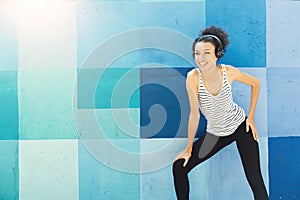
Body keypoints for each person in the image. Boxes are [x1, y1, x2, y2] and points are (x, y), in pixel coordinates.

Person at [172, 25, 269, 200]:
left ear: (218, 54)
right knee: (179, 167)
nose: (201, 58)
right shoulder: (193, 78)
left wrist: (251, 118)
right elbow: (194, 115)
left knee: (255, 180)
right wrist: (188, 149)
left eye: (206, 53)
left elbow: (255, 83)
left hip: (241, 128)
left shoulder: (228, 72)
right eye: (197, 53)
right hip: (215, 134)